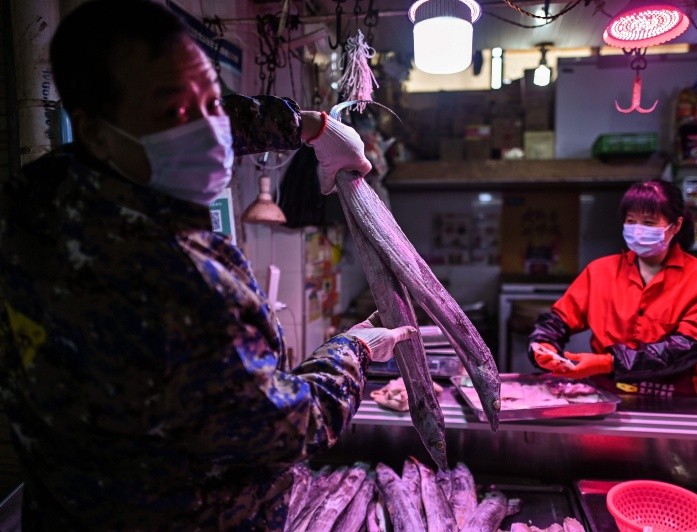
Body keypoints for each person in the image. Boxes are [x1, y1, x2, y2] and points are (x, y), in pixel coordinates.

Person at [0, 0, 416, 529]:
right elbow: (290, 428)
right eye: (176, 111)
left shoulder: (40, 194)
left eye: (212, 102)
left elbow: (197, 111)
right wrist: (353, 351)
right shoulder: (178, 281)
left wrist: (308, 125)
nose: (209, 128)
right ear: (96, 129)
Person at [528, 178, 697, 398]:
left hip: (672, 397)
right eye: (631, 221)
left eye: (649, 223)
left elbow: (685, 350)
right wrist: (543, 345)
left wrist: (608, 362)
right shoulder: (600, 270)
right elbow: (558, 320)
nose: (638, 231)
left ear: (676, 225)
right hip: (605, 392)